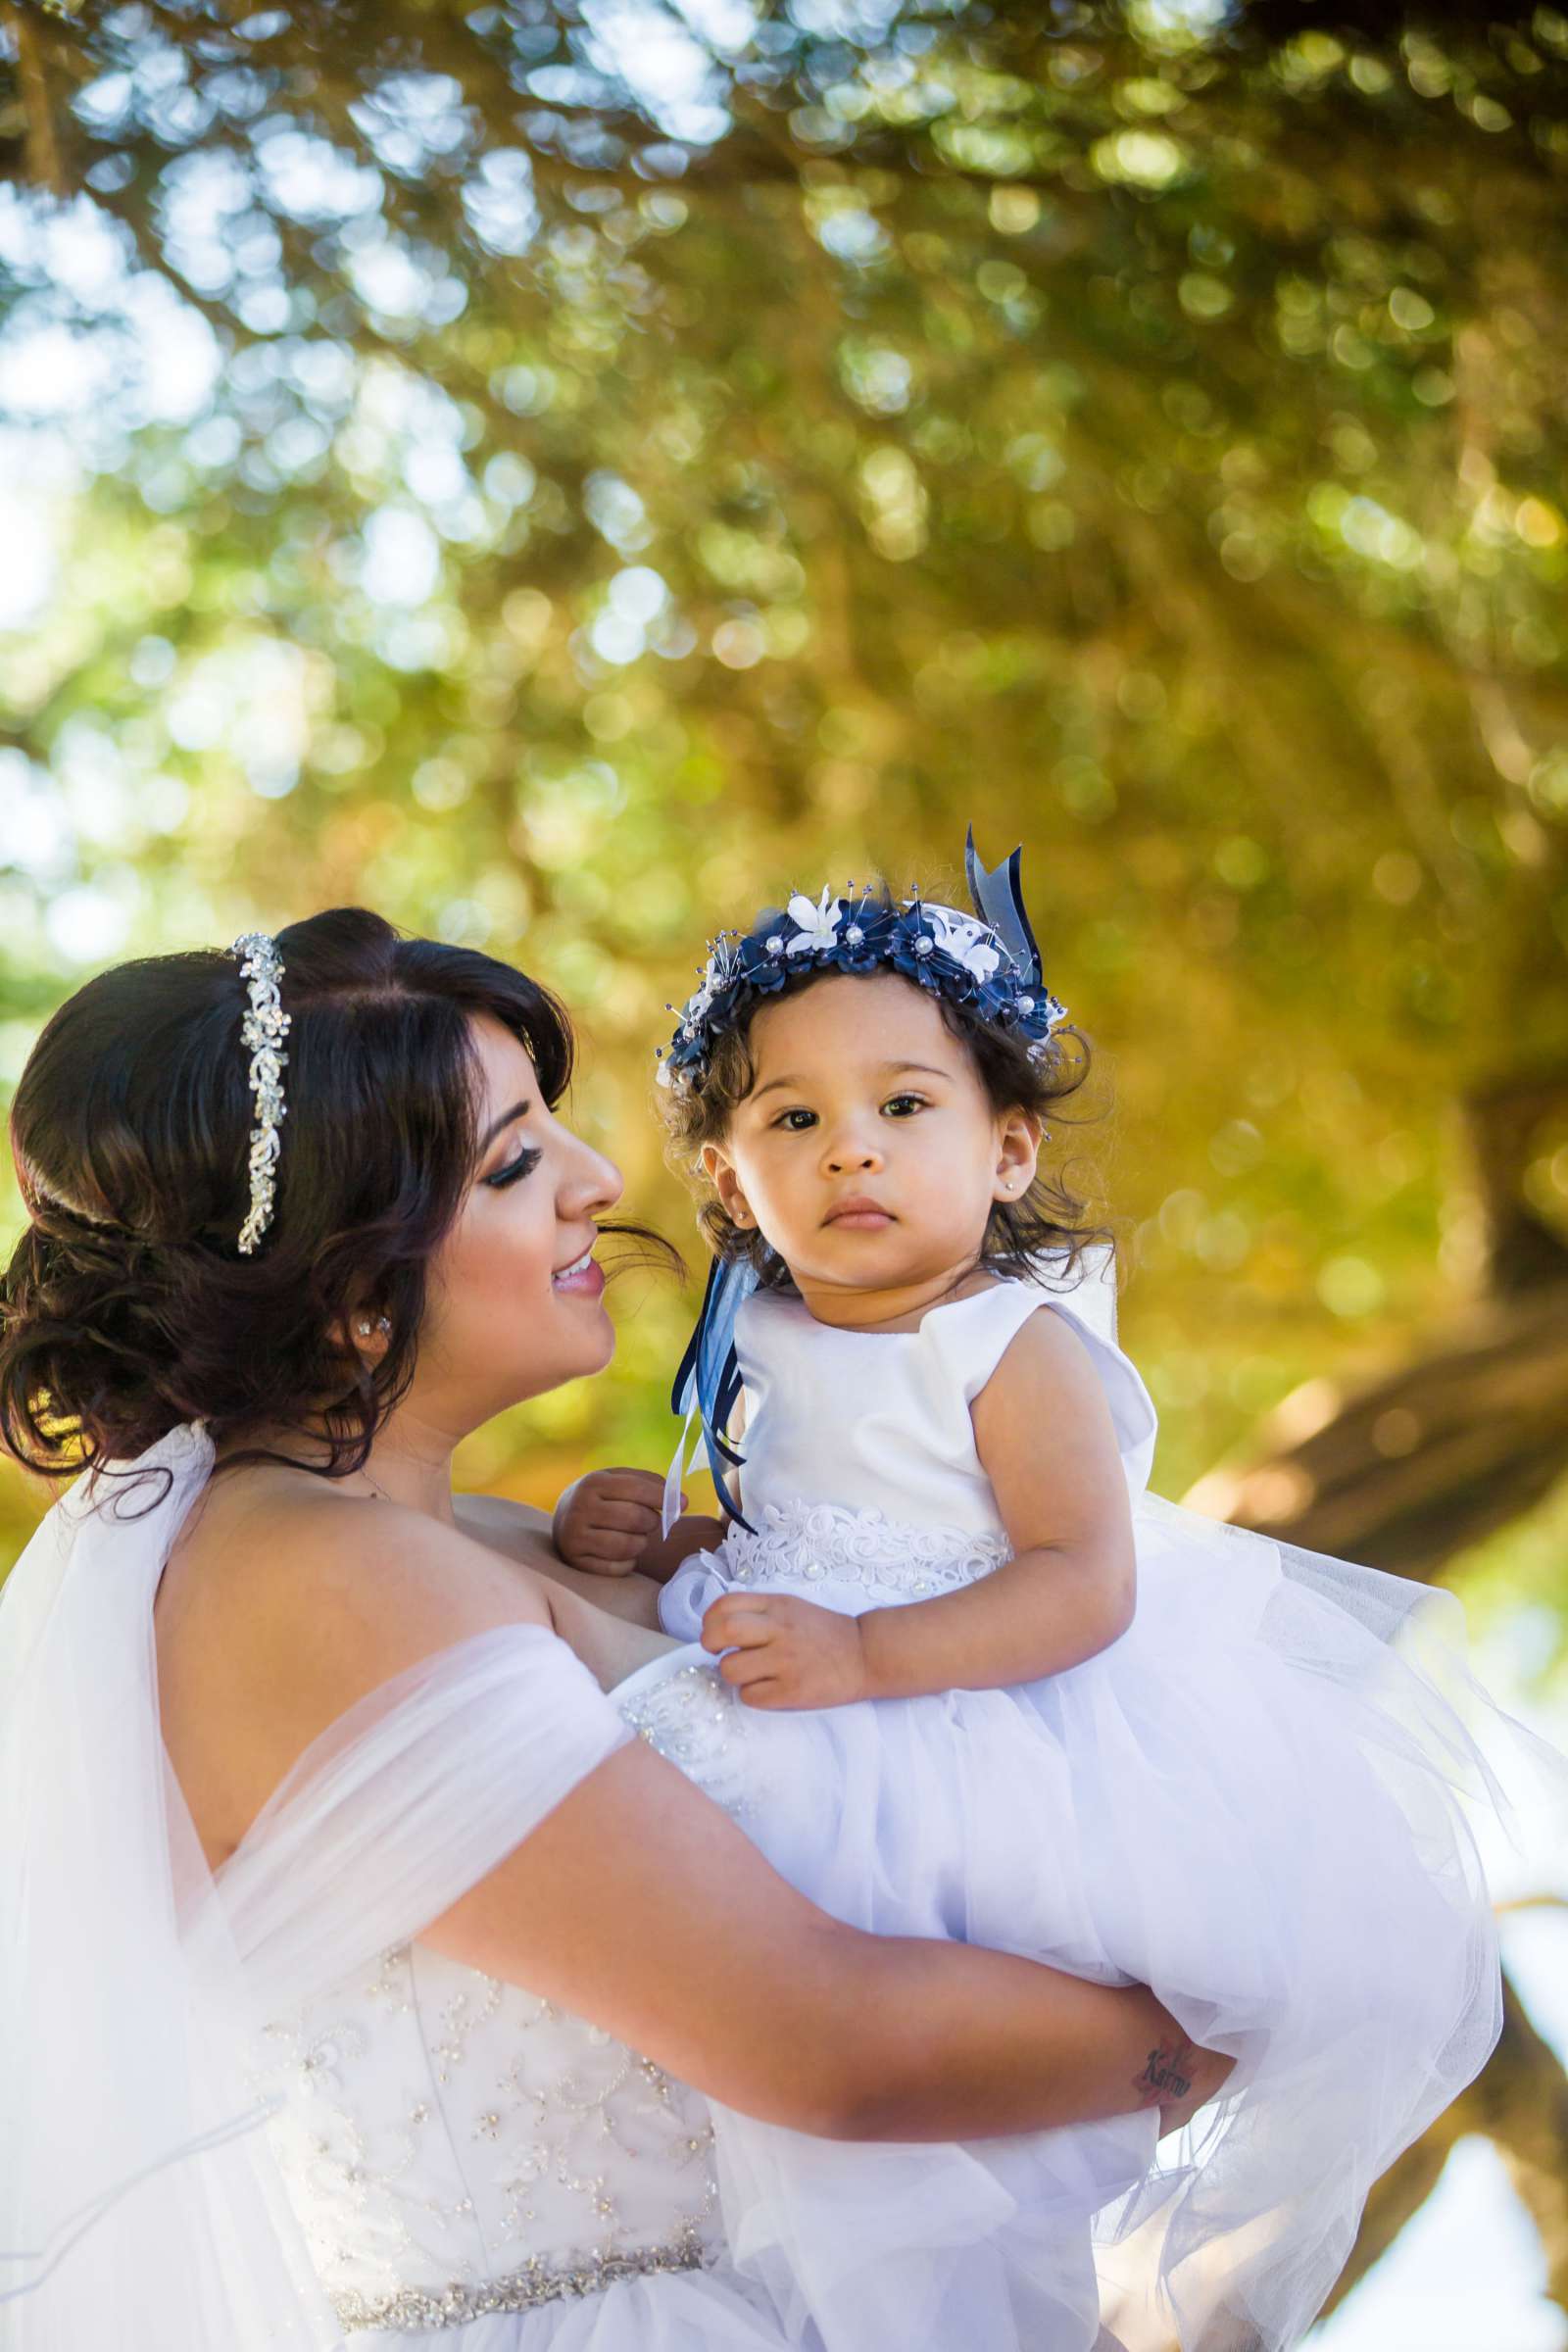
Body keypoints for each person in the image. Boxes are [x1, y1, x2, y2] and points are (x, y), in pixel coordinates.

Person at [0, 907, 1235, 2352]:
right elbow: (821, 2040)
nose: (597, 1183)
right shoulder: (310, 1584)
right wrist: (1228, 2030)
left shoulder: (485, 1543)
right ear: (347, 1289)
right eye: (517, 1161)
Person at [554, 831, 1568, 2351]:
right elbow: (776, 1537)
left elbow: (1083, 1586)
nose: (853, 1149)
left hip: (977, 1738)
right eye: (796, 1117)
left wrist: (865, 1657)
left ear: (1007, 1148)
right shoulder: (753, 1331)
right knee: (764, 2147)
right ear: (726, 1175)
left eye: (906, 1106)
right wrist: (654, 1540)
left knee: (967, 2177)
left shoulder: (1011, 1347)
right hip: (811, 1711)